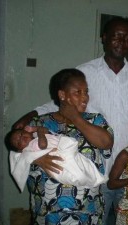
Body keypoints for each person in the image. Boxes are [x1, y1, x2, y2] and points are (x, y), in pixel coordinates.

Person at [12, 17, 128, 225]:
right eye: (116, 36)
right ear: (104, 38)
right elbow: (61, 102)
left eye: (127, 38)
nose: (122, 41)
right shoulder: (86, 71)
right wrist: (31, 114)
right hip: (99, 170)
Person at [24, 68, 114, 224]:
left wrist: (75, 117)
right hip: (49, 213)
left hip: (87, 211)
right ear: (62, 95)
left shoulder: (95, 121)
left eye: (86, 92)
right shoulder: (39, 123)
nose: (84, 97)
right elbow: (19, 152)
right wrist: (36, 159)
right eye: (77, 92)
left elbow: (106, 142)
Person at [6, 126, 107, 192]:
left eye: (21, 134)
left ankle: (93, 178)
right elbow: (43, 145)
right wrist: (40, 132)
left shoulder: (35, 136)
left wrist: (35, 129)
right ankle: (92, 178)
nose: (21, 138)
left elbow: (45, 130)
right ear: (20, 150)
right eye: (18, 142)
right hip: (58, 162)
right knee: (75, 173)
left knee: (82, 165)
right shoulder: (29, 148)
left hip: (63, 155)